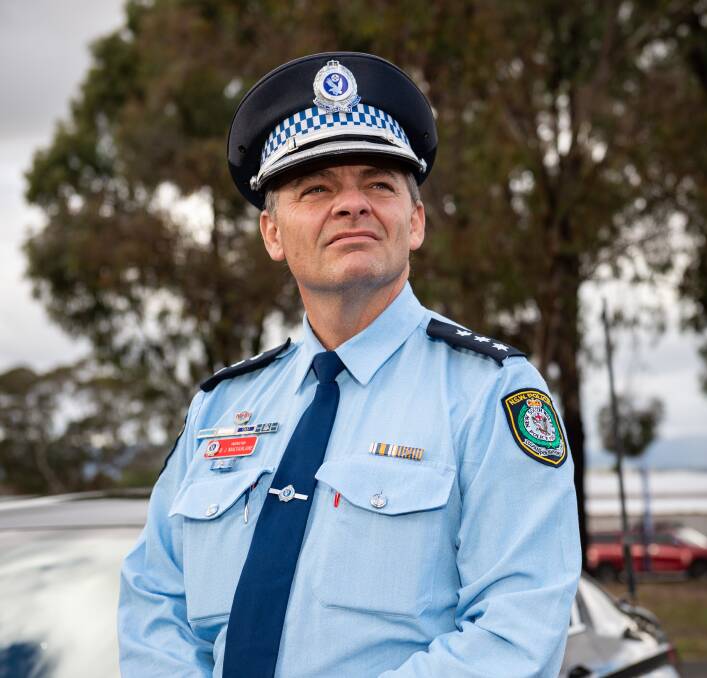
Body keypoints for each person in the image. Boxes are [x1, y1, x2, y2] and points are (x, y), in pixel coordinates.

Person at [118, 52, 581, 677]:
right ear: (272, 234)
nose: (352, 205)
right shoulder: (220, 407)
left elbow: (516, 631)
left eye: (379, 185)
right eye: (317, 188)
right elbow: (154, 603)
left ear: (414, 222)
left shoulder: (490, 395)